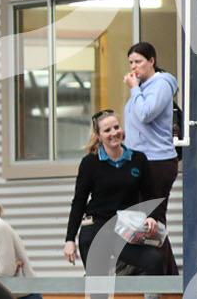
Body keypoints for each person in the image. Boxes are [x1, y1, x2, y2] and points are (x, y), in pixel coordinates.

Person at [63, 110, 162, 275]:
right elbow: (79, 202)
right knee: (98, 278)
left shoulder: (138, 159)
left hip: (125, 228)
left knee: (154, 261)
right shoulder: (90, 163)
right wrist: (69, 239)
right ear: (99, 136)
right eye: (107, 130)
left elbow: (150, 195)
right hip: (97, 226)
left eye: (116, 127)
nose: (113, 133)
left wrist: (152, 217)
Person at [122, 41, 180, 274]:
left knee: (152, 220)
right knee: (143, 219)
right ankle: (163, 272)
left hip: (157, 161)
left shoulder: (161, 84)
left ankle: (165, 276)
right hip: (140, 159)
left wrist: (134, 88)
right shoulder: (144, 87)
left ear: (151, 61)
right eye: (131, 63)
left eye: (138, 62)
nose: (134, 67)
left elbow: (146, 114)